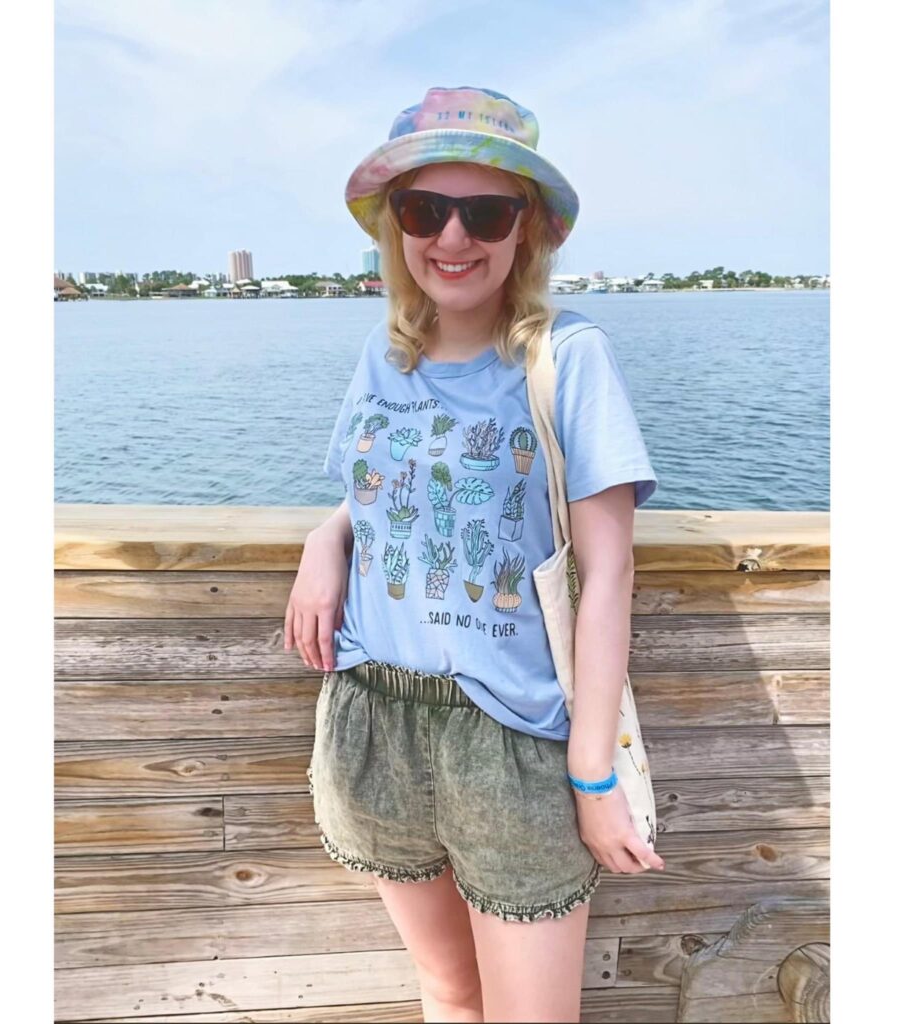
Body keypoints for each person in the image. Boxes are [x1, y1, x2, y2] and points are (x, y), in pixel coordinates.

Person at [284, 85, 665, 1023]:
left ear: (524, 230)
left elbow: (609, 572)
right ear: (397, 228)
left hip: (515, 739)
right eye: (425, 210)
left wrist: (593, 777)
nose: (452, 238)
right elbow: (383, 491)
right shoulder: (387, 355)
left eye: (484, 211)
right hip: (374, 715)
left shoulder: (569, 358)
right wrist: (324, 535)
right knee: (449, 994)